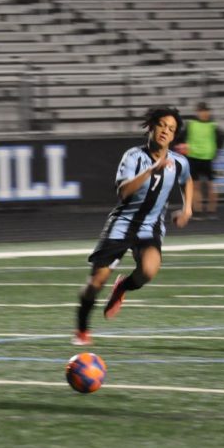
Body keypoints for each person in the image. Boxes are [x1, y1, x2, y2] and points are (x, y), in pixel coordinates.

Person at [73, 105, 193, 346]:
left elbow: (187, 180)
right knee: (95, 282)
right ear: (151, 127)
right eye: (162, 125)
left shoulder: (179, 162)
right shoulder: (133, 156)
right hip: (122, 223)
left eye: (171, 129)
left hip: (151, 226)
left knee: (148, 271)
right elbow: (123, 192)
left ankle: (122, 288)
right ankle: (82, 328)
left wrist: (187, 207)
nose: (165, 131)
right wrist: (151, 170)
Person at [182, 102, 221, 220]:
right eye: (203, 111)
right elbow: (220, 141)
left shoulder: (209, 125)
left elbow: (220, 140)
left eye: (205, 111)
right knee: (201, 186)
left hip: (202, 158)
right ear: (198, 112)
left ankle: (206, 212)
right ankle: (204, 212)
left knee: (205, 186)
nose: (204, 113)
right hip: (199, 158)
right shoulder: (195, 124)